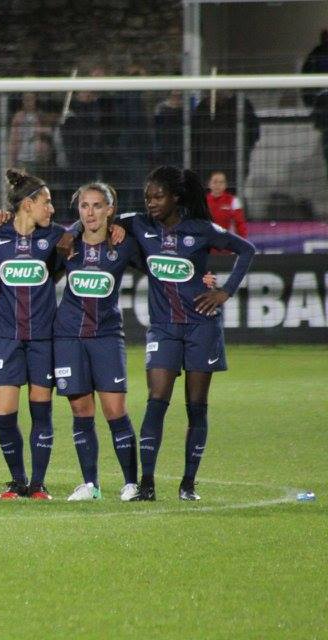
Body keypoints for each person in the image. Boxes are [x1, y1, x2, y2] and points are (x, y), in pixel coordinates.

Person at [110, 166, 256, 501]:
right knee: (155, 402)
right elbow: (105, 216)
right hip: (163, 328)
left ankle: (188, 484)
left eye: (158, 197)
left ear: (176, 197)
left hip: (202, 327)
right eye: (148, 197)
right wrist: (115, 226)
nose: (151, 204)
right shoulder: (140, 224)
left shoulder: (201, 229)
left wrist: (226, 291)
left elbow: (246, 249)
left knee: (196, 407)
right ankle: (147, 483)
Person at [0, 169, 65, 501]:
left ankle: (38, 484)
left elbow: (92, 234)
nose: (52, 209)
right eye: (46, 202)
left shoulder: (56, 236)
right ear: (28, 205)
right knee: (5, 414)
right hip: (4, 336)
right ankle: (17, 481)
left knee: (41, 411)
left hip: (43, 337)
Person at [54, 183, 141, 501]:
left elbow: (147, 225)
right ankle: (90, 485)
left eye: (96, 206)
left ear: (109, 209)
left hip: (106, 336)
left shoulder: (124, 244)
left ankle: (131, 483)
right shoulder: (66, 245)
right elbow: (43, 276)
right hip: (69, 337)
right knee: (80, 409)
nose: (89, 212)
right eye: (84, 206)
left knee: (115, 410)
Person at [206, 171, 247, 238]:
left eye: (221, 182)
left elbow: (240, 224)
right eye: (215, 182)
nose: (218, 185)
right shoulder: (202, 202)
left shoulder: (234, 201)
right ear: (209, 184)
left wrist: (242, 241)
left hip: (226, 242)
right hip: (207, 242)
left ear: (225, 185)